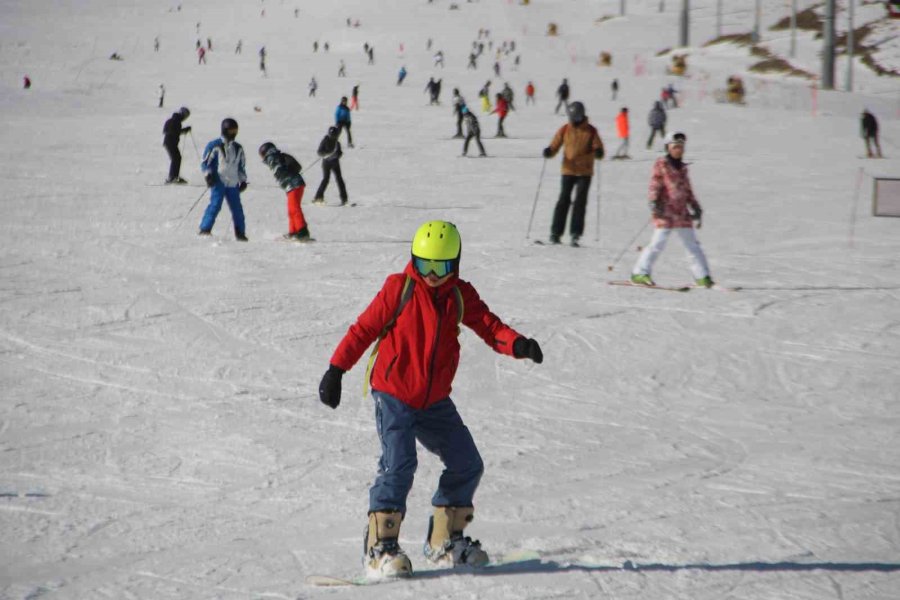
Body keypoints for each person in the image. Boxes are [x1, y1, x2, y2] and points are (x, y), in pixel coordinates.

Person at [317, 220, 544, 579]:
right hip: (394, 392)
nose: (433, 275)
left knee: (467, 462)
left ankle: (444, 541)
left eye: (441, 266)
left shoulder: (459, 295)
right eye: (425, 265)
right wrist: (336, 370)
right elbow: (363, 330)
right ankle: (380, 545)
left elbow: (488, 325)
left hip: (434, 399)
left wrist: (518, 344)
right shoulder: (399, 288)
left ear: (455, 264)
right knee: (399, 463)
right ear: (413, 260)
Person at [631, 132, 712, 288]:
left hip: (681, 213)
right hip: (665, 212)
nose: (678, 150)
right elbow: (655, 184)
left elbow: (687, 190)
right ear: (668, 148)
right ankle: (639, 273)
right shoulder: (661, 165)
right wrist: (654, 202)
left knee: (692, 245)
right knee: (657, 244)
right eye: (675, 147)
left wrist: (695, 206)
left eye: (681, 147)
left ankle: (702, 276)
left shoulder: (683, 168)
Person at [542, 101, 604, 246]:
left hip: (584, 171)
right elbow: (555, 145)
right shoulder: (565, 129)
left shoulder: (591, 131)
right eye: (571, 117)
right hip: (568, 169)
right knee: (563, 200)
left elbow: (598, 147)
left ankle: (575, 233)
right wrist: (549, 151)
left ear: (581, 116)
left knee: (580, 203)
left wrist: (598, 152)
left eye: (575, 117)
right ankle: (555, 232)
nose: (572, 120)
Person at [198, 118, 248, 241]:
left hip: (233, 182)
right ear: (224, 130)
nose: (233, 133)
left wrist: (243, 180)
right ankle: (205, 228)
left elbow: (241, 166)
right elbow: (206, 163)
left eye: (235, 130)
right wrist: (208, 175)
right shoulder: (215, 145)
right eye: (231, 130)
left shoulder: (238, 148)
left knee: (237, 209)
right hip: (218, 181)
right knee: (215, 205)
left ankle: (240, 233)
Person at [259, 142, 311, 241]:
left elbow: (279, 170)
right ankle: (294, 231)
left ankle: (302, 231)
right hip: (293, 185)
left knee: (294, 208)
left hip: (294, 185)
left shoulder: (273, 158)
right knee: (291, 209)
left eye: (262, 155)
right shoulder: (276, 157)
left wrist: (282, 175)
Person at [313, 126, 348, 205]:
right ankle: (318, 197)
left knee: (339, 180)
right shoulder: (325, 141)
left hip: (335, 163)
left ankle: (344, 199)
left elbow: (340, 152)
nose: (334, 136)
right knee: (326, 179)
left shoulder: (337, 143)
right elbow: (319, 152)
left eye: (335, 135)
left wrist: (337, 155)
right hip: (326, 163)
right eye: (332, 135)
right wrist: (326, 154)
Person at [162, 106, 191, 184]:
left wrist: (184, 130)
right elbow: (171, 131)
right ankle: (173, 177)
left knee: (177, 158)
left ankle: (174, 176)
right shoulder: (175, 121)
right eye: (186, 116)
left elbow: (171, 130)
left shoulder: (173, 120)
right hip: (170, 142)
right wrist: (183, 130)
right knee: (176, 158)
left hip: (170, 142)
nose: (185, 118)